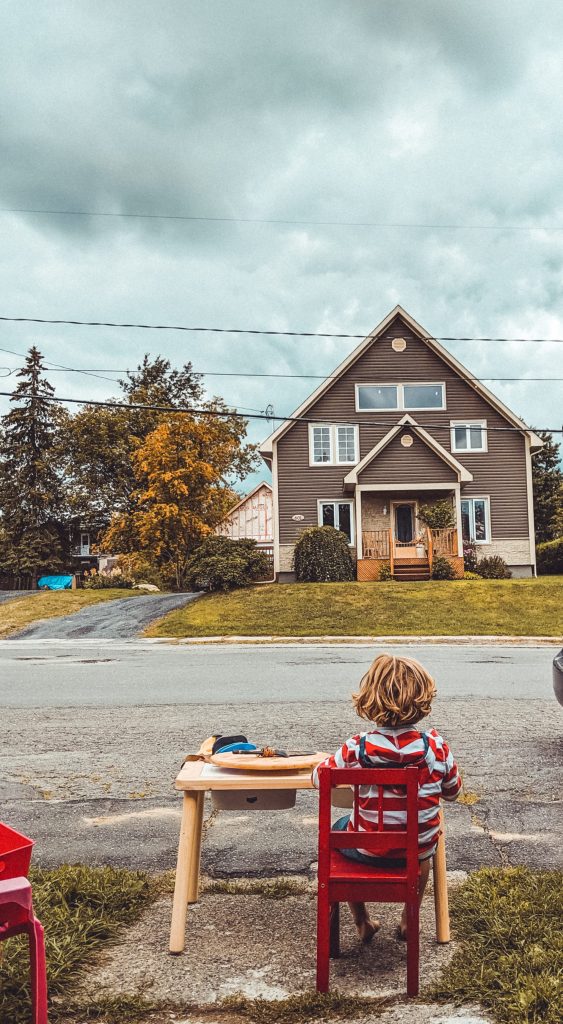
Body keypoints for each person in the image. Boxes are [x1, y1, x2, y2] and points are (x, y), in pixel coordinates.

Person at [312, 653, 461, 943]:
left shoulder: (357, 748)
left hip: (367, 851)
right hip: (416, 852)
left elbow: (320, 778)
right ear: (422, 700)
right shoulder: (437, 748)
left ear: (370, 699)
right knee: (425, 853)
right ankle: (409, 918)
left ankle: (362, 921)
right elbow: (453, 793)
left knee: (344, 827)